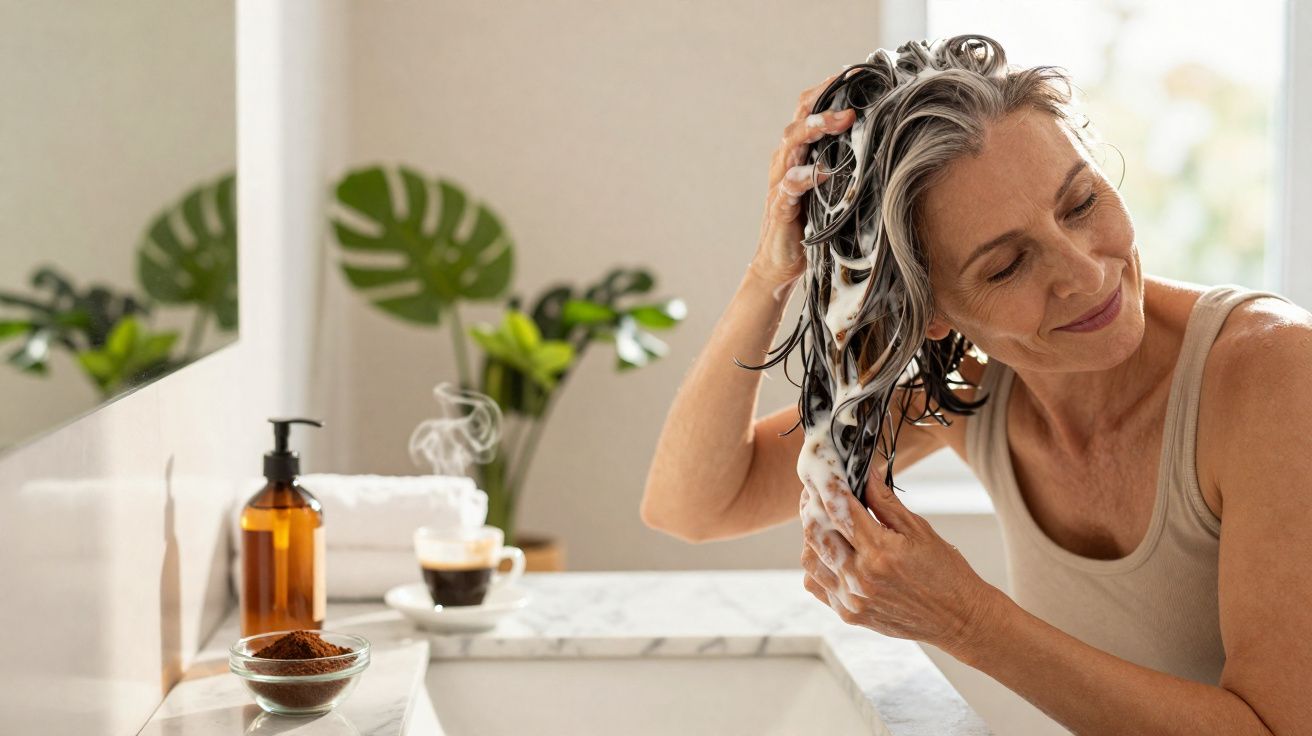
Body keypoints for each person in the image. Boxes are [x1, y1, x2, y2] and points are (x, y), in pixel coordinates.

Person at [640, 35, 1310, 734]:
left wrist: (966, 619)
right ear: (929, 313)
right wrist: (767, 274)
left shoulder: (1274, 374)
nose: (1084, 272)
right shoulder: (973, 390)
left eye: (1080, 203)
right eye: (1006, 266)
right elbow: (695, 504)